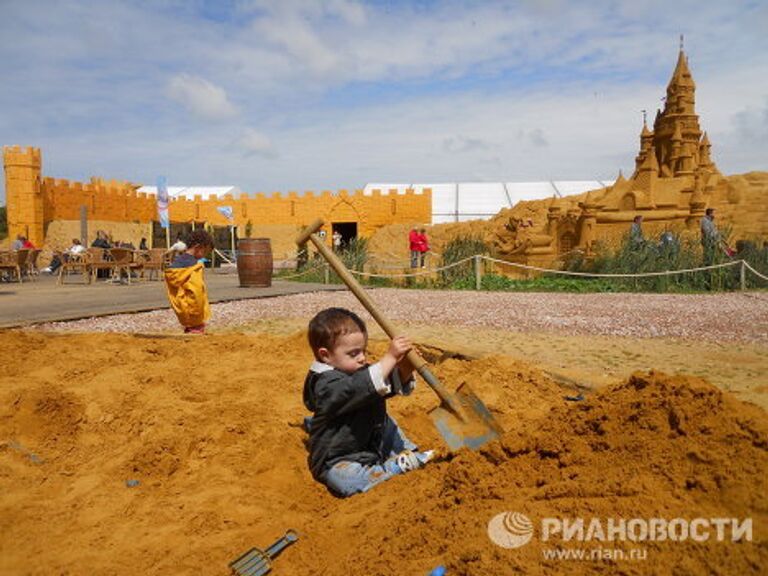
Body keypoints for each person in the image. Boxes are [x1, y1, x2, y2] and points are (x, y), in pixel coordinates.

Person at [302, 307, 433, 497]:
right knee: (346, 480)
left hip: (372, 441)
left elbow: (381, 383)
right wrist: (390, 358)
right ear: (325, 355)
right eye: (353, 353)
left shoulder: (354, 370)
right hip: (339, 457)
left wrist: (404, 368)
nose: (362, 358)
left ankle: (407, 452)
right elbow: (355, 388)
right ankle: (390, 469)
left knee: (388, 423)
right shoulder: (325, 384)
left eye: (363, 350)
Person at [164, 230, 213, 334]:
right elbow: (196, 292)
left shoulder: (176, 265)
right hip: (194, 315)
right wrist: (198, 317)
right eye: (204, 252)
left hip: (184, 314)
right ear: (198, 247)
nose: (204, 256)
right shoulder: (193, 268)